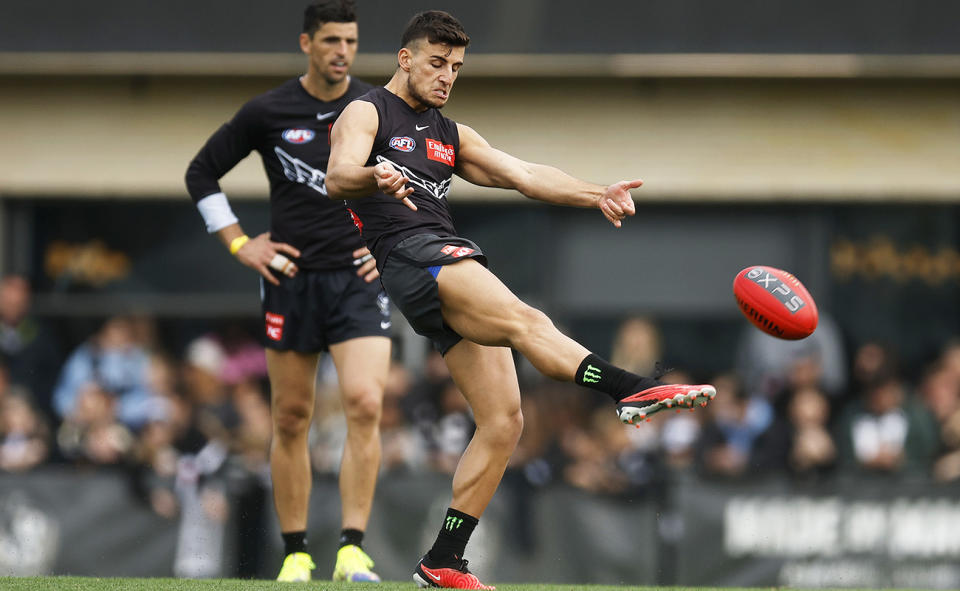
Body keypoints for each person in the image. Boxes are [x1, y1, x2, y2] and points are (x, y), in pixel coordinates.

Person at [325, 10, 716, 589]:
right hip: (415, 254)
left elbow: (524, 174)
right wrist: (372, 177)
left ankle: (443, 560)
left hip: (435, 261)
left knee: (504, 421)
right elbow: (337, 176)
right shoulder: (366, 111)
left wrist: (595, 193)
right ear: (405, 58)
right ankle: (629, 389)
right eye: (436, 63)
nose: (446, 76)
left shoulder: (448, 132)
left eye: (456, 67)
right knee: (525, 318)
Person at [184, 1, 389, 583]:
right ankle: (296, 552)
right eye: (330, 40)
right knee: (292, 416)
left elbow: (422, 182)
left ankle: (352, 548)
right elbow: (201, 172)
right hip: (290, 280)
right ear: (306, 44)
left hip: (356, 279)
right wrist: (237, 242)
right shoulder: (268, 110)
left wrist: (389, 247)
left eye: (349, 40)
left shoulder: (376, 109)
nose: (341, 51)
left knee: (366, 404)